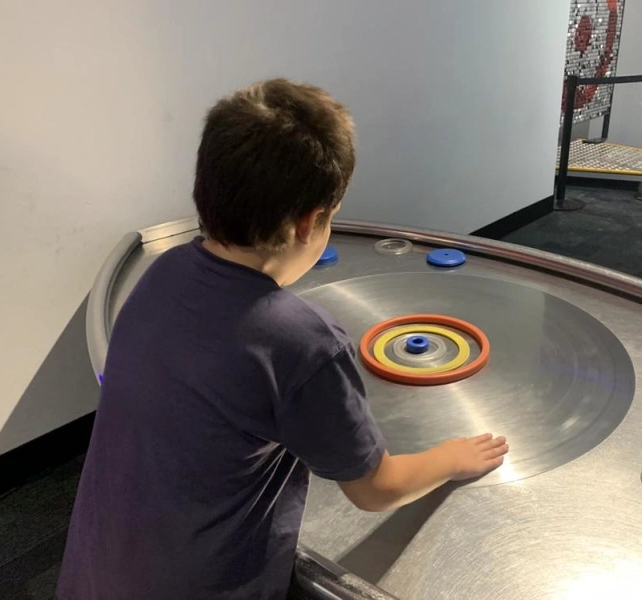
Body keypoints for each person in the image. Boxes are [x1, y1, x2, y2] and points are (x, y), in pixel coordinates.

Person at [57, 78, 509, 600]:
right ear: (309, 223)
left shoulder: (163, 272)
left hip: (95, 575)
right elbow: (376, 489)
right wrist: (451, 457)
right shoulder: (301, 341)